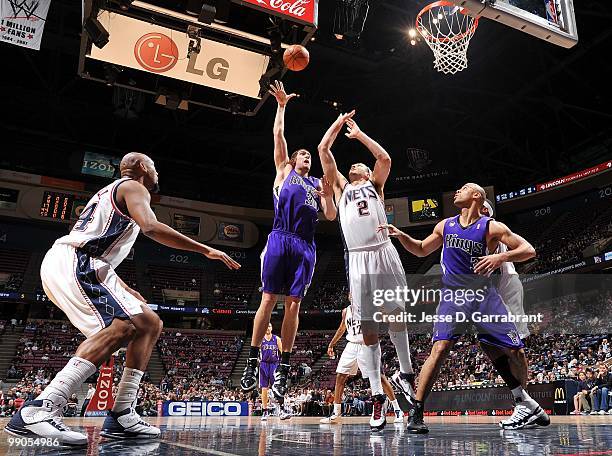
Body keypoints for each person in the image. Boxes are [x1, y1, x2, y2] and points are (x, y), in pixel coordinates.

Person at [5, 152, 239, 445]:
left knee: (149, 322)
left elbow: (97, 243)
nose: (156, 172)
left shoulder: (109, 193)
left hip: (88, 262)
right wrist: (207, 250)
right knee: (121, 327)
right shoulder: (133, 186)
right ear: (142, 167)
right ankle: (40, 408)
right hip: (78, 260)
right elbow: (151, 227)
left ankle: (122, 415)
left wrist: (123, 287)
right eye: (154, 166)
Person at [379, 183, 549, 433]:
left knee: (516, 352)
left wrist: (499, 257)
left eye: (464, 188)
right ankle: (416, 411)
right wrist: (401, 235)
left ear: (477, 196)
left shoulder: (492, 227)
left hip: (484, 296)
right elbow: (420, 249)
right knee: (440, 349)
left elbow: (528, 250)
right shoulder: (445, 225)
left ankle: (523, 404)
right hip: (453, 295)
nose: (457, 191)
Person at [240, 82, 336, 409]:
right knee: (268, 298)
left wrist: (328, 198)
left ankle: (283, 366)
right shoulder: (284, 171)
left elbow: (331, 215)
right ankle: (252, 360)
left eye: (311, 156)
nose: (307, 157)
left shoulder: (318, 184)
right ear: (294, 160)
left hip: (306, 247)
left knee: (294, 305)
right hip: (281, 238)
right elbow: (278, 137)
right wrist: (281, 106)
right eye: (304, 155)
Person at [318, 112, 415, 432]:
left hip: (383, 252)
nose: (355, 165)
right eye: (353, 165)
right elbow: (323, 150)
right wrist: (337, 123)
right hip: (358, 260)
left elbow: (384, 157)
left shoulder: (375, 184)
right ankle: (377, 396)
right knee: (370, 329)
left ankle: (407, 374)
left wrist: (359, 133)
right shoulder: (341, 188)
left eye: (360, 164)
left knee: (396, 315)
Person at [320, 305, 405, 425]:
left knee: (379, 378)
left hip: (368, 344)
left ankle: (397, 410)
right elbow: (341, 328)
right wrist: (331, 344)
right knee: (340, 376)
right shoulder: (346, 311)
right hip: (351, 345)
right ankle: (336, 413)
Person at [260, 323, 282, 421]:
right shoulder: (260, 339)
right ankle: (265, 411)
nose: (267, 328)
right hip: (263, 364)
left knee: (277, 388)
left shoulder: (276, 339)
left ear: (272, 328)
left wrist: (282, 365)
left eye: (269, 326)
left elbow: (282, 352)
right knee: (264, 389)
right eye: (266, 326)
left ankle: (281, 410)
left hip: (274, 364)